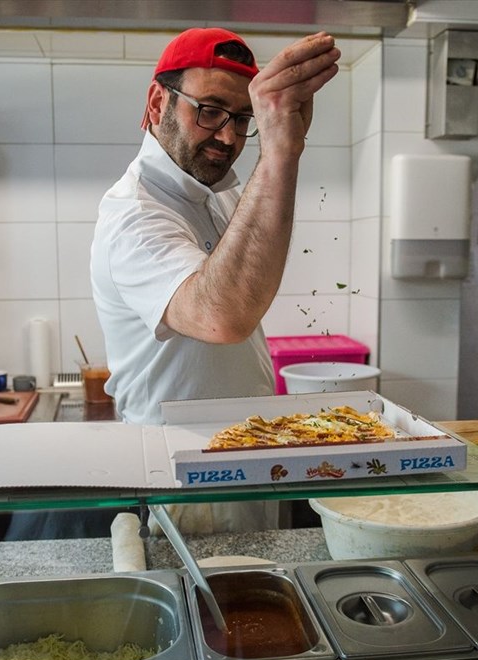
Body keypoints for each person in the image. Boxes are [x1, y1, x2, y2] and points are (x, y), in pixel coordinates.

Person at [90, 27, 342, 534]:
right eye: (209, 111)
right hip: (183, 475)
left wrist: (284, 145)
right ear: (158, 100)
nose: (228, 136)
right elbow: (223, 317)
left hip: (243, 455)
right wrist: (277, 152)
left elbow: (246, 289)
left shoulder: (214, 191)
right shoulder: (133, 215)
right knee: (201, 611)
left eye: (244, 118)